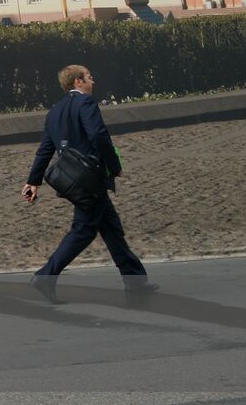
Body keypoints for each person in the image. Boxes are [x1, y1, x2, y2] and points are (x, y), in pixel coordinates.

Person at [22, 64, 156, 303]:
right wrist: (115, 165)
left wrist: (33, 182)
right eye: (89, 77)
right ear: (78, 82)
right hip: (91, 178)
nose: (93, 82)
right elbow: (98, 136)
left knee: (111, 227)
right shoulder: (85, 103)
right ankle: (45, 276)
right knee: (83, 230)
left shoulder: (54, 113)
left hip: (72, 181)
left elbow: (45, 150)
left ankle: (134, 280)